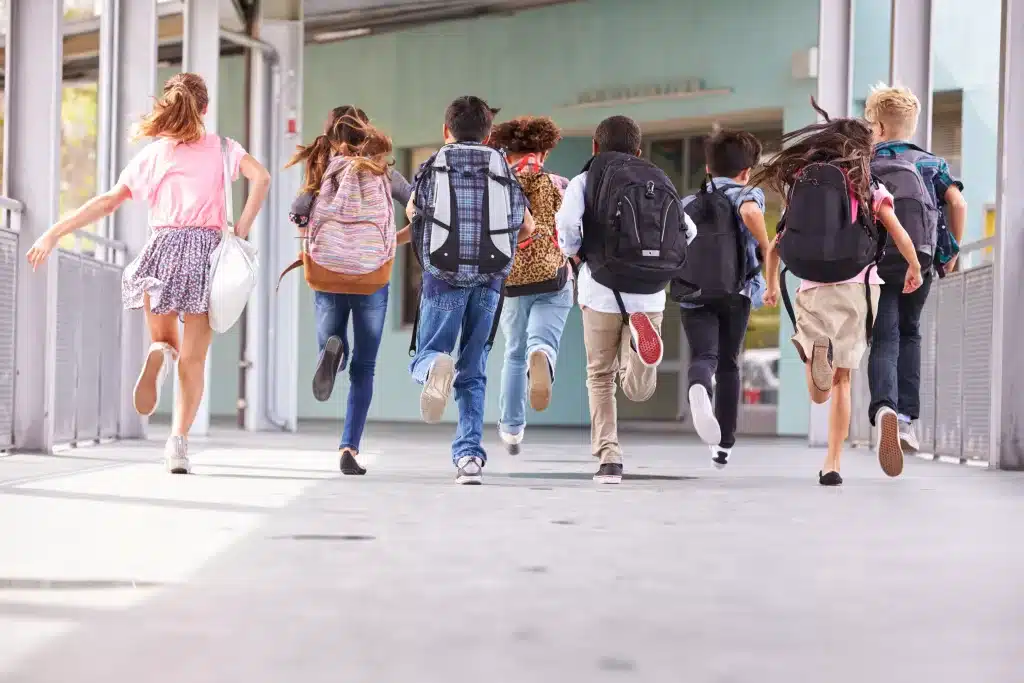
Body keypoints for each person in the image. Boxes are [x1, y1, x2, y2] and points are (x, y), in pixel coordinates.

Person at [26, 72, 271, 474]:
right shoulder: (224, 148)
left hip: (161, 250)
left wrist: (55, 232)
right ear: (205, 109)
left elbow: (108, 202)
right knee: (193, 361)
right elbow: (260, 177)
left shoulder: (157, 154)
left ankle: (159, 353)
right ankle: (178, 443)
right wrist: (240, 227)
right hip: (205, 256)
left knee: (164, 341)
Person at [757, 99, 923, 486]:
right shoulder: (868, 183)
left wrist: (768, 285)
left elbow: (776, 246)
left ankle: (818, 363)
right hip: (858, 285)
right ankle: (835, 462)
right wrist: (913, 266)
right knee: (844, 380)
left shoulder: (802, 181)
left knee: (820, 390)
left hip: (812, 286)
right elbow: (896, 230)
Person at [556, 115, 696, 484]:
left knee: (600, 377)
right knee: (638, 389)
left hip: (601, 289)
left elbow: (567, 225)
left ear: (595, 148)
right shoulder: (657, 178)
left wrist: (574, 252)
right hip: (649, 294)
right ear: (638, 149)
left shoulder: (585, 179)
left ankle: (609, 457)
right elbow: (689, 230)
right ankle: (641, 351)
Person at [405, 96, 534, 485]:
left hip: (442, 276)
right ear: (489, 132)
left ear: (447, 131)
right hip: (490, 279)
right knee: (474, 368)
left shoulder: (435, 164)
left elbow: (413, 212)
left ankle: (434, 368)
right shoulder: (501, 166)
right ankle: (469, 459)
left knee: (426, 354)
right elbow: (525, 225)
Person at [285, 106, 410, 476]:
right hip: (373, 274)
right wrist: (394, 240)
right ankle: (350, 447)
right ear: (367, 133)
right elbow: (419, 206)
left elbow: (298, 211)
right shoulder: (383, 171)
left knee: (332, 341)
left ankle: (332, 351)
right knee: (365, 367)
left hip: (328, 271)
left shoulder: (322, 170)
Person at [864, 84, 968, 454]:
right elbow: (957, 203)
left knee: (883, 335)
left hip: (874, 262)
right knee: (909, 333)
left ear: (876, 126)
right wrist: (950, 251)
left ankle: (884, 409)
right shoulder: (931, 163)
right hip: (921, 260)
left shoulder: (865, 163)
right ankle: (906, 421)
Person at [676, 129, 771, 468]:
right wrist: (766, 244)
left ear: (707, 167)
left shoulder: (687, 202)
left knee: (705, 355)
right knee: (730, 362)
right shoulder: (748, 193)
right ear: (746, 170)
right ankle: (724, 444)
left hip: (693, 291)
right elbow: (749, 214)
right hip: (735, 291)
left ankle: (700, 383)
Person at [487, 116, 572, 455]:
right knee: (543, 340)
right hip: (553, 277)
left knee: (513, 353)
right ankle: (544, 356)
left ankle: (511, 428)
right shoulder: (560, 184)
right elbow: (573, 232)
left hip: (511, 281)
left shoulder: (498, 185)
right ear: (545, 150)